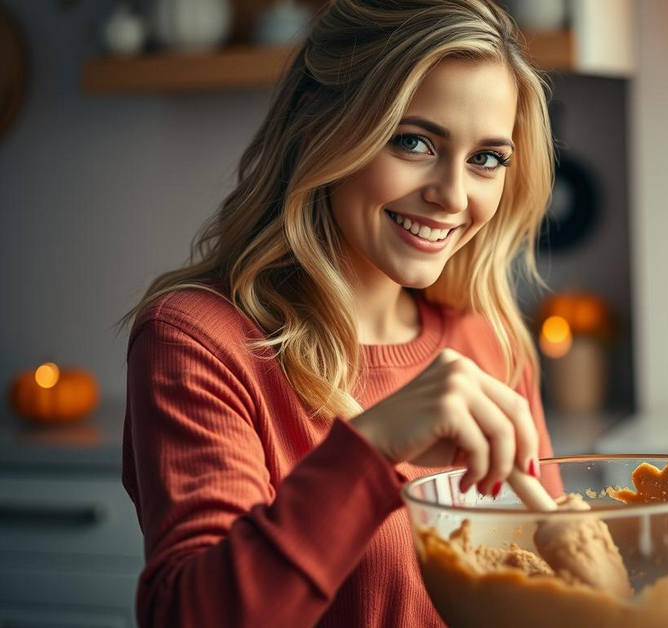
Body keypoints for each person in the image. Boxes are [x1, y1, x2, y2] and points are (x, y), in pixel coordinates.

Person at [118, 1, 556, 625]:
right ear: (318, 129)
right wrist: (373, 449)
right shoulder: (198, 340)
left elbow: (556, 588)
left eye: (487, 158)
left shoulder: (491, 339)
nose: (453, 196)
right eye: (413, 141)